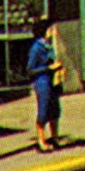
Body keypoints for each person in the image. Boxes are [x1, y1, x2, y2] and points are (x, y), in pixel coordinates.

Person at [25, 19, 62, 152]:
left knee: (55, 109)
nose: (52, 32)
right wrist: (48, 68)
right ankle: (41, 141)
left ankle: (55, 137)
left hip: (52, 81)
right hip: (42, 82)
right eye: (50, 29)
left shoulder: (49, 45)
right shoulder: (36, 48)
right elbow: (30, 70)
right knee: (44, 110)